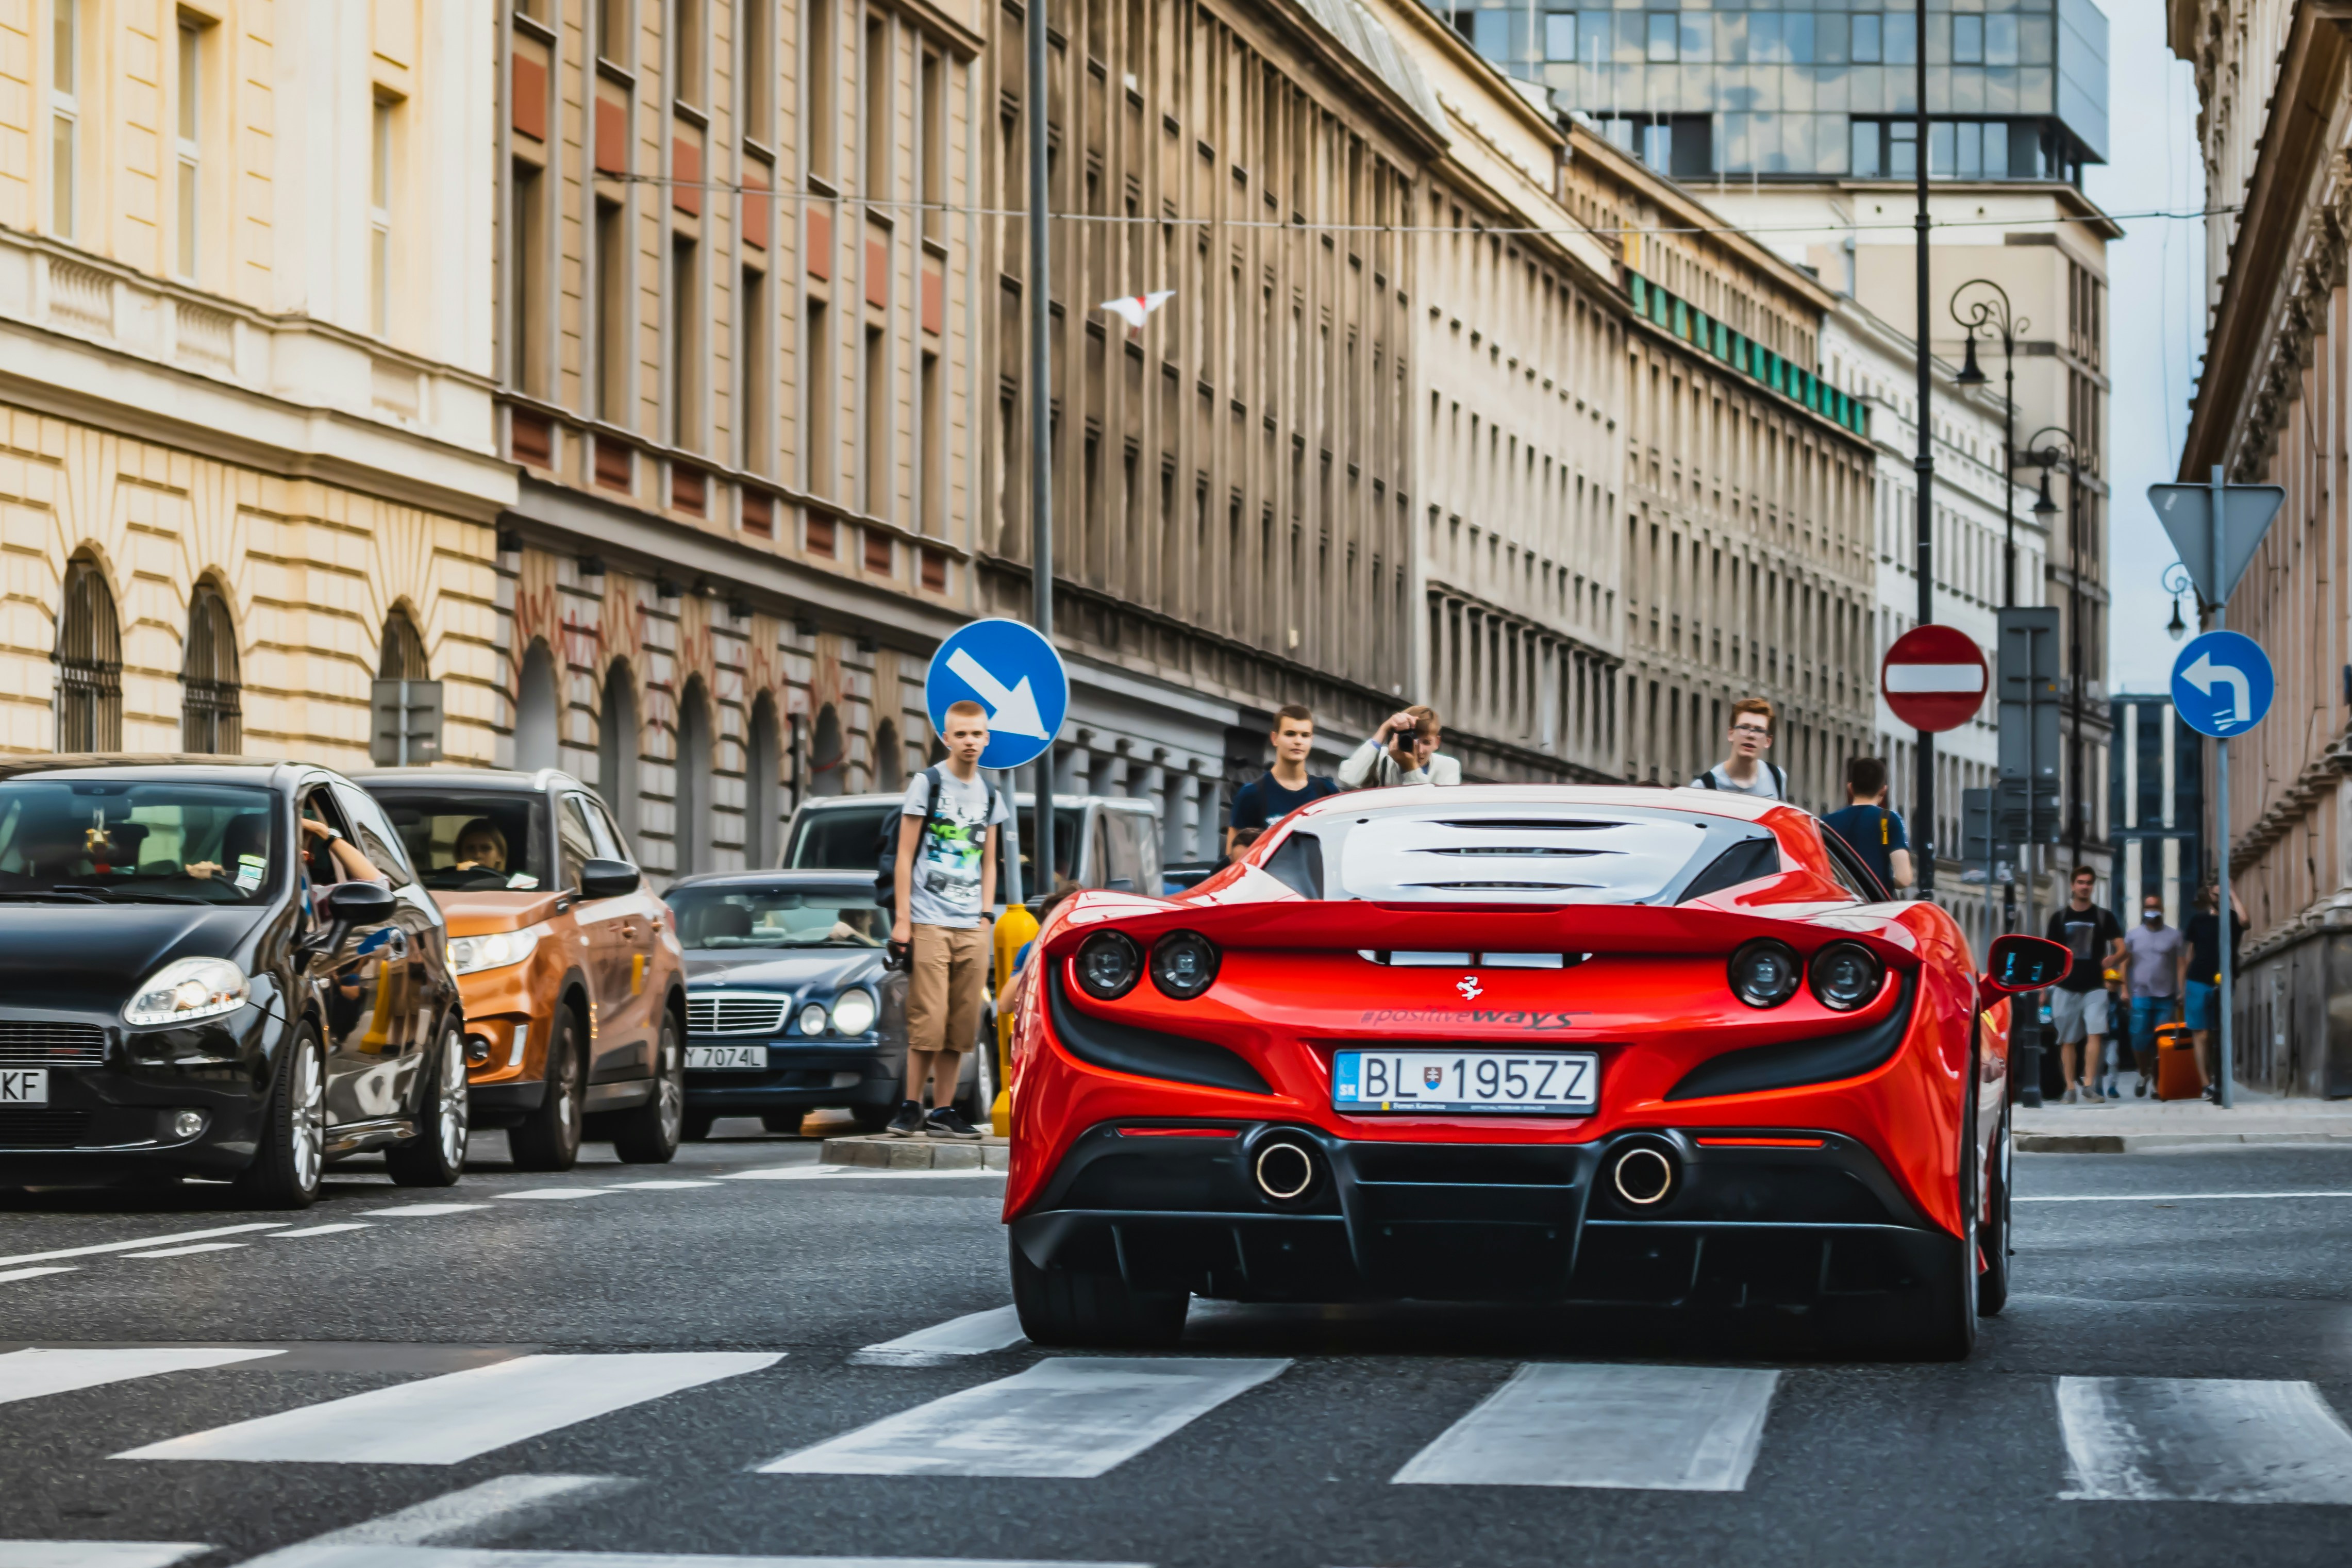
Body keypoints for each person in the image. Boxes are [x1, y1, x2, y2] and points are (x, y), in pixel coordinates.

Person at [886, 699, 1008, 1140]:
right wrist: (904, 920)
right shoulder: (929, 783)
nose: (970, 742)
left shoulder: (990, 794)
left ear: (987, 738)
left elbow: (990, 862)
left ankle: (943, 1111)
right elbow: (904, 855)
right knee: (928, 1020)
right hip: (929, 919)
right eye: (961, 735)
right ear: (945, 738)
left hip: (971, 924)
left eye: (977, 734)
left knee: (961, 1021)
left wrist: (986, 914)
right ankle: (910, 1105)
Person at [2043, 866, 2125, 1104]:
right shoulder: (2059, 918)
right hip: (2065, 985)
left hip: (2095, 986)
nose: (2085, 886)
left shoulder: (2103, 917)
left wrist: (2114, 959)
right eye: (2080, 882)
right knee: (2067, 1039)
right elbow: (2048, 955)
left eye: (2089, 883)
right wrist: (2042, 989)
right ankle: (2070, 1087)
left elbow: (2122, 948)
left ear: (2093, 886)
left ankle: (2088, 1084)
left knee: (2095, 1033)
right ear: (2072, 885)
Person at [1227, 705, 1342, 857]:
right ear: (1275, 738)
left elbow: (1338, 848)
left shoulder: (1327, 793)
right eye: (1290, 734)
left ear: (1311, 740)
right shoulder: (1252, 794)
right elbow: (1233, 858)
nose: (1298, 741)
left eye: (1305, 735)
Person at [2182, 881, 2249, 1101]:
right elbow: (2189, 952)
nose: (2219, 897)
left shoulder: (2232, 918)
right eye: (2216, 893)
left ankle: (2218, 1078)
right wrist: (2183, 985)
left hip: (2225, 979)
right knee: (2200, 1033)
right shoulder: (2198, 920)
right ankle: (2205, 1084)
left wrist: (2232, 892)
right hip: (2197, 980)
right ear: (2208, 895)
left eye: (2223, 893)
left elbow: (2246, 921)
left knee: (2218, 1033)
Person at [2120, 890, 2185, 1099]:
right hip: (2140, 994)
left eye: (2155, 907)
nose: (2152, 911)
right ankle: (2143, 1072)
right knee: (2139, 1038)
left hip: (2166, 996)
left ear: (2162, 910)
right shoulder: (2133, 936)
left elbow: (2181, 965)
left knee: (2162, 1043)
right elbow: (2125, 963)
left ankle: (2158, 1084)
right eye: (2148, 908)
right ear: (2143, 910)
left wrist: (2181, 990)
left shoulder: (2174, 936)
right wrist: (2124, 989)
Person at [1820, 757, 1914, 894]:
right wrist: (1882, 882)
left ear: (1850, 788)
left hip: (1839, 905)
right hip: (1876, 906)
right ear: (1883, 790)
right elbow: (1904, 879)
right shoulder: (1886, 821)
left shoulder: (1827, 822)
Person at [1339, 705, 1460, 789]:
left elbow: (1424, 805)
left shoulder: (1448, 767)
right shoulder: (1383, 758)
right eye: (1413, 741)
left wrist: (1411, 768)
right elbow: (1349, 779)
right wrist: (1384, 729)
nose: (1420, 750)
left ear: (1437, 742)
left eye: (1426, 743)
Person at [1690, 698, 1787, 799]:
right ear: (1731, 734)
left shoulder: (1777, 778)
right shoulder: (1703, 787)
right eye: (1744, 728)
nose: (1751, 735)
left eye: (1759, 730)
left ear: (1768, 741)